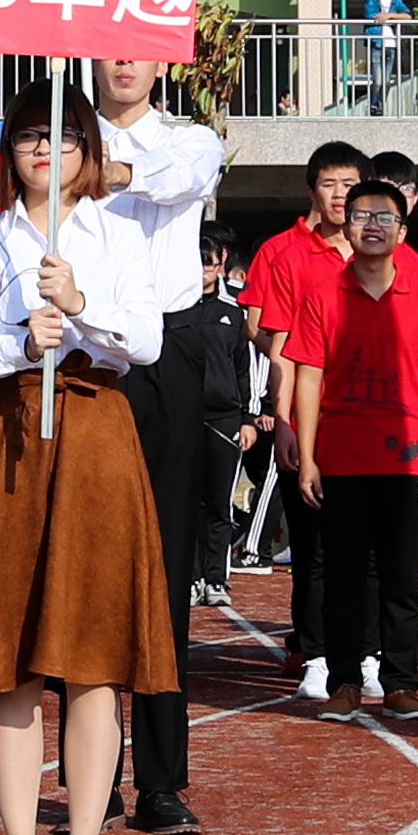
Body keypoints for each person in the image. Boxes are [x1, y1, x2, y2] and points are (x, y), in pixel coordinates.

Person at [0, 77, 175, 835]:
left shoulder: (118, 232)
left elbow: (145, 341)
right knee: (12, 657)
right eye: (30, 136)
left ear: (87, 153)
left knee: (95, 661)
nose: (44, 151)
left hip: (98, 434)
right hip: (15, 435)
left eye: (62, 138)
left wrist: (81, 305)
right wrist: (21, 343)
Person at [94, 52, 235, 835]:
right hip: (86, 349)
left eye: (137, 49)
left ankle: (160, 782)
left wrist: (101, 171)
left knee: (165, 568)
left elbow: (174, 181)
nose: (123, 62)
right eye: (110, 47)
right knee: (86, 569)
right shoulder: (63, 140)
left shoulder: (192, 141)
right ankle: (90, 777)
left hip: (169, 354)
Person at [287, 181, 418, 722]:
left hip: (408, 460)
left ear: (402, 231)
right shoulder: (322, 296)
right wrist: (308, 456)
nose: (372, 226)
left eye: (385, 217)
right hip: (342, 459)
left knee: (402, 579)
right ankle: (344, 682)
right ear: (347, 224)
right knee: (343, 576)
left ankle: (400, 682)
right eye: (361, 215)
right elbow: (308, 379)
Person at [238, 141, 363, 702]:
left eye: (349, 184)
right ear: (312, 189)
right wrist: (283, 412)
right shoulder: (283, 253)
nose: (340, 195)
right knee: (310, 544)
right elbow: (262, 329)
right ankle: (314, 650)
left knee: (365, 547)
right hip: (303, 412)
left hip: (366, 416)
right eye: (330, 184)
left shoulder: (376, 250)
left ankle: (367, 652)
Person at [185, 223, 256, 604]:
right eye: (196, 263)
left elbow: (245, 367)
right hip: (185, 417)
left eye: (208, 264)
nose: (202, 272)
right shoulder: (174, 309)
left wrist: (248, 417)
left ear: (220, 265)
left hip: (225, 419)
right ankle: (192, 576)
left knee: (218, 501)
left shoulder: (234, 311)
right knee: (188, 499)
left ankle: (217, 578)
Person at [362, 0, 413, 115]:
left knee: (386, 81)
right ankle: (373, 106)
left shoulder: (396, 1)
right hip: (376, 42)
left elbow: (408, 16)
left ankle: (379, 106)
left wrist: (389, 15)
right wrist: (393, 17)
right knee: (377, 80)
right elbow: (371, 14)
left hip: (391, 44)